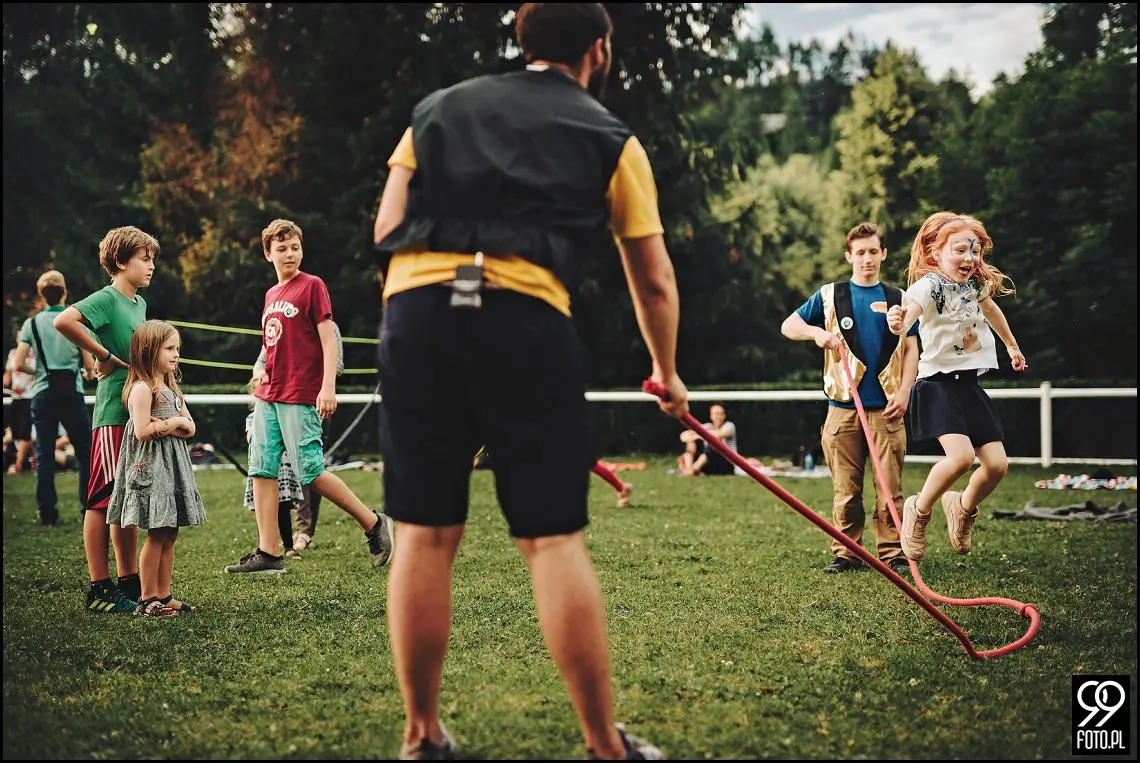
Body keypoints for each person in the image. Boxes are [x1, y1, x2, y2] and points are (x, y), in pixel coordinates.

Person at [372, 4, 686, 759]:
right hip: (524, 314)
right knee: (550, 539)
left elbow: (387, 227)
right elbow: (653, 280)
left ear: (522, 39)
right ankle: (603, 746)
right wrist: (668, 374)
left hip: (416, 313)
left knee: (423, 531)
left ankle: (420, 735)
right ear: (598, 50)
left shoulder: (437, 109)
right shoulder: (611, 136)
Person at [224, 219, 394, 575]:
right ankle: (269, 551)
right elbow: (272, 346)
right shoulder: (271, 295)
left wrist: (327, 386)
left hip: (301, 393)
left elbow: (328, 340)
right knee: (261, 469)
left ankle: (374, 524)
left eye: (295, 247)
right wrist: (261, 382)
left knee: (311, 472)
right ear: (268, 253)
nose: (290, 254)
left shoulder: (312, 286)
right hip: (270, 394)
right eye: (282, 249)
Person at [780, 223, 919, 575]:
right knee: (846, 488)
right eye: (860, 252)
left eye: (874, 251)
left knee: (890, 486)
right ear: (849, 256)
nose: (867, 259)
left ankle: (892, 553)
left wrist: (904, 392)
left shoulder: (899, 298)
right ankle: (847, 551)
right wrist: (817, 334)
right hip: (842, 410)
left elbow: (913, 348)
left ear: (883, 254)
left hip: (887, 408)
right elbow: (788, 326)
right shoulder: (829, 295)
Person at [887, 212, 1027, 560]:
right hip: (936, 385)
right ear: (936, 251)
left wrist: (1011, 345)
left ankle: (961, 507)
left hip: (968, 385)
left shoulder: (974, 285)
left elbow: (992, 311)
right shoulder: (928, 286)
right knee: (962, 458)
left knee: (996, 466)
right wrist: (896, 322)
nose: (970, 258)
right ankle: (918, 510)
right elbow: (907, 315)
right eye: (961, 250)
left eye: (975, 251)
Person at [54, 226, 159, 613]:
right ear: (120, 262)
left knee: (126, 498)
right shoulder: (108, 298)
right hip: (112, 414)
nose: (151, 266)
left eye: (152, 259)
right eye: (144, 258)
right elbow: (64, 321)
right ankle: (99, 587)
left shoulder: (139, 306)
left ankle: (129, 582)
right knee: (101, 499)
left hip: (135, 413)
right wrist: (104, 356)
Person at [105, 321, 206, 616]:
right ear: (150, 351)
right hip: (150, 467)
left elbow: (191, 426)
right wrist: (173, 423)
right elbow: (141, 430)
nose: (176, 355)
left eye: (178, 349)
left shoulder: (170, 386)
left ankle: (164, 592)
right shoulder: (141, 389)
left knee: (170, 531)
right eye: (170, 349)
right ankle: (148, 597)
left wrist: (175, 424)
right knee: (157, 531)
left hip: (171, 466)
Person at [13, 270, 95, 525]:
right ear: (65, 292)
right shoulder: (75, 321)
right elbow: (89, 365)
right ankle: (88, 508)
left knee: (44, 453)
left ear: (41, 295)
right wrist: (86, 373)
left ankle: (47, 512)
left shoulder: (32, 324)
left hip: (43, 394)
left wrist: (39, 371)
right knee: (85, 451)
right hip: (71, 393)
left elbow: (18, 363)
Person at [676, 403, 738, 477]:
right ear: (711, 416)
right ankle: (689, 469)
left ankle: (693, 469)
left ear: (724, 416)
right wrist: (692, 440)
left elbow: (717, 435)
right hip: (710, 462)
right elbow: (684, 436)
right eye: (716, 414)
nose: (719, 417)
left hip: (727, 463)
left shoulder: (729, 426)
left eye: (721, 414)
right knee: (691, 442)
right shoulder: (708, 426)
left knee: (714, 444)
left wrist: (698, 435)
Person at [4, 346, 36, 475]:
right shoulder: (13, 353)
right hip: (16, 398)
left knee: (26, 433)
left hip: (32, 396)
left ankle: (18, 465)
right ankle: (35, 460)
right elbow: (6, 379)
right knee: (18, 432)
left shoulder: (38, 353)